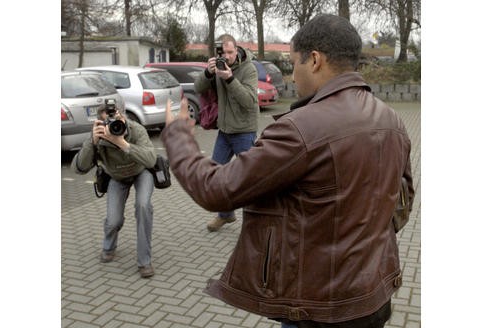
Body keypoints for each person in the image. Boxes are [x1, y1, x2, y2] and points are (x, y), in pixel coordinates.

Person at [162, 13, 414, 328]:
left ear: (315, 60)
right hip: (372, 298)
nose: (293, 77)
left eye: (294, 63)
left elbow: (217, 189)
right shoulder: (393, 120)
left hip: (317, 308)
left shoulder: (301, 128)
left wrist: (178, 137)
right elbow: (402, 202)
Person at [71, 100, 157, 278]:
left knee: (143, 206)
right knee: (113, 221)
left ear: (122, 115)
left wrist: (122, 143)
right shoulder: (99, 136)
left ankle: (144, 262)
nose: (113, 126)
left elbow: (151, 160)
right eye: (107, 123)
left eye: (116, 120)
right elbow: (79, 168)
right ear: (100, 124)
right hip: (117, 177)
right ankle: (109, 247)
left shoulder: (136, 129)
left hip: (141, 172)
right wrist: (92, 142)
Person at [194, 33, 259, 232]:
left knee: (250, 180)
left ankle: (255, 221)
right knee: (216, 176)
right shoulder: (218, 66)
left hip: (244, 132)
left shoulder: (249, 69)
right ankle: (226, 214)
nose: (227, 56)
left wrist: (229, 79)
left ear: (237, 50)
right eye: (224, 52)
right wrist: (208, 72)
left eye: (231, 52)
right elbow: (198, 87)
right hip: (224, 131)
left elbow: (249, 101)